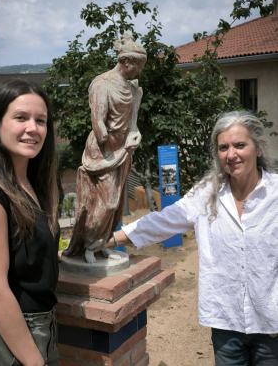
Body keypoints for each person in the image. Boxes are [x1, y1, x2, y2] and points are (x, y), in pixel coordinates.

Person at [106, 111, 278, 365]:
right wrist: (107, 240)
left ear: (258, 147)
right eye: (224, 147)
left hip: (271, 324)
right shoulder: (206, 194)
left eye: (240, 145)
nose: (231, 154)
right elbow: (161, 222)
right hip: (226, 323)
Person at [0, 79, 63, 366]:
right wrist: (34, 361)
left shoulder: (33, 186)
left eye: (40, 120)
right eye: (21, 118)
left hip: (41, 327)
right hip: (3, 338)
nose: (33, 128)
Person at [64, 34, 147, 263]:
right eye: (138, 66)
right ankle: (88, 245)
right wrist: (115, 144)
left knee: (117, 202)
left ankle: (101, 244)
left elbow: (132, 120)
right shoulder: (102, 84)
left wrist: (134, 134)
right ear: (127, 62)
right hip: (103, 152)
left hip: (123, 149)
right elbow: (98, 125)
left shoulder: (130, 87)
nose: (139, 71)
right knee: (105, 201)